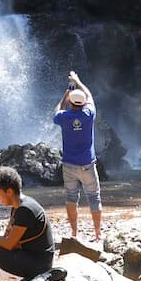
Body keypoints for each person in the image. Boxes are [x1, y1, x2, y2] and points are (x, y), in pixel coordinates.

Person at [53, 69, 101, 240]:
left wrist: (66, 94)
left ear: (71, 103)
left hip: (69, 165)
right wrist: (78, 80)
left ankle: (74, 232)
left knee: (71, 198)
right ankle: (97, 233)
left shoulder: (64, 117)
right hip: (88, 164)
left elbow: (57, 110)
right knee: (94, 197)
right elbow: (89, 96)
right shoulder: (89, 114)